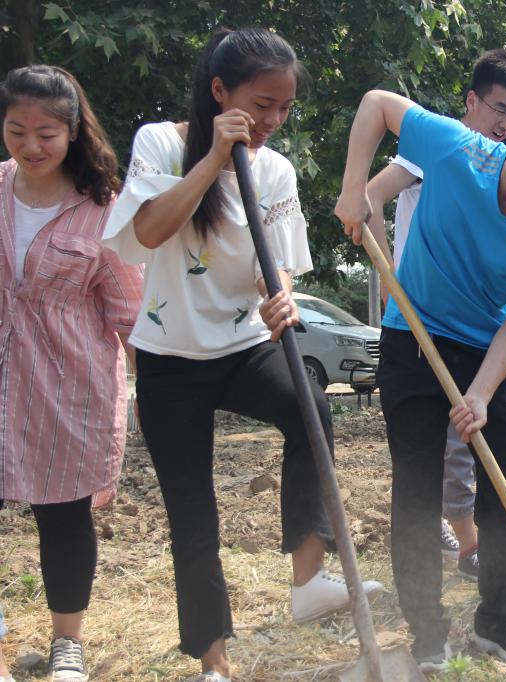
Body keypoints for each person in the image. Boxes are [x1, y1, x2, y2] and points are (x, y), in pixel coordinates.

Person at [102, 28, 381, 681]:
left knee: (311, 409)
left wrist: (278, 297)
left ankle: (309, 582)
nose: (272, 120)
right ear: (219, 91)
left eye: (284, 107)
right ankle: (214, 663)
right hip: (169, 359)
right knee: (193, 514)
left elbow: (271, 265)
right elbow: (147, 232)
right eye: (261, 104)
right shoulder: (161, 143)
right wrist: (214, 160)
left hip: (243, 347)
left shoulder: (275, 169)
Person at [335, 88, 506, 670]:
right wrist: (355, 189)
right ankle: (426, 629)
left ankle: (499, 619)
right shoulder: (457, 150)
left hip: (490, 351)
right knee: (416, 487)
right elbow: (376, 104)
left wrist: (480, 394)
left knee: (505, 488)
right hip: (415, 338)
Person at [366, 49, 506, 581]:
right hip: (420, 319)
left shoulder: (501, 166)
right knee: (445, 447)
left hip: (474, 323)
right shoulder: (439, 145)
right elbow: (370, 196)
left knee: (468, 437)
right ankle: (467, 547)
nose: (505, 124)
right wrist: (392, 284)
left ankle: (473, 548)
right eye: (499, 109)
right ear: (472, 100)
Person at [0, 64, 145, 682]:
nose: (30, 146)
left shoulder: (103, 210)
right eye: (16, 131)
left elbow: (129, 311)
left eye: (46, 135)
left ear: (72, 133)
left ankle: (67, 643)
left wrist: (157, 394)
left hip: (67, 385)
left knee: (61, 514)